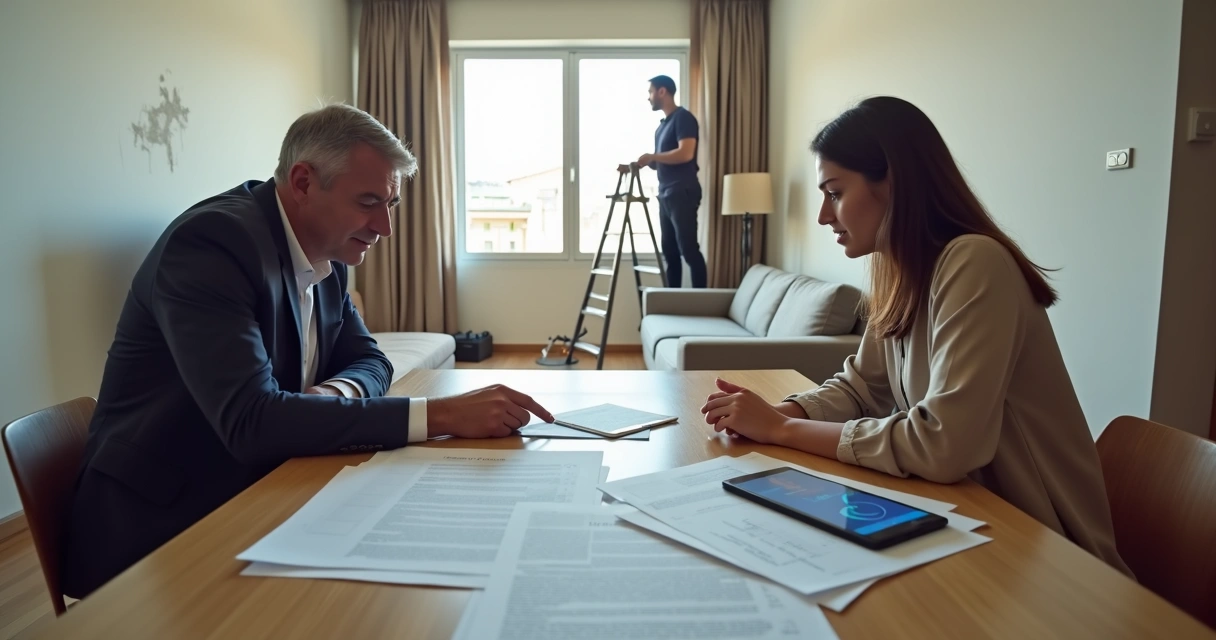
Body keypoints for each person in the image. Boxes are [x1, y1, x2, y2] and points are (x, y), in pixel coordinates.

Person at [61, 104, 555, 598]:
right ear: (303, 182)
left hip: (264, 486)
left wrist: (333, 394)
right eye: (368, 202)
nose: (384, 227)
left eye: (391, 204)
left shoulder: (328, 253)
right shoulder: (213, 244)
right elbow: (252, 422)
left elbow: (372, 361)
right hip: (163, 526)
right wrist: (441, 415)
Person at [699, 97, 1132, 576]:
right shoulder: (901, 271)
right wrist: (781, 412)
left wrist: (781, 431)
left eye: (835, 193)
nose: (823, 215)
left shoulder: (975, 263)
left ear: (893, 184)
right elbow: (863, 389)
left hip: (1049, 550)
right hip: (967, 518)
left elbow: (943, 445)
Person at [637, 74, 706, 289]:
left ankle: (703, 301)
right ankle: (671, 302)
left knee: (688, 250)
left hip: (682, 191)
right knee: (670, 253)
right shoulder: (661, 127)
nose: (649, 97)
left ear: (662, 91)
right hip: (665, 194)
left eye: (651, 92)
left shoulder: (683, 118)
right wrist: (645, 162)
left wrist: (654, 156)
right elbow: (664, 160)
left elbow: (686, 153)